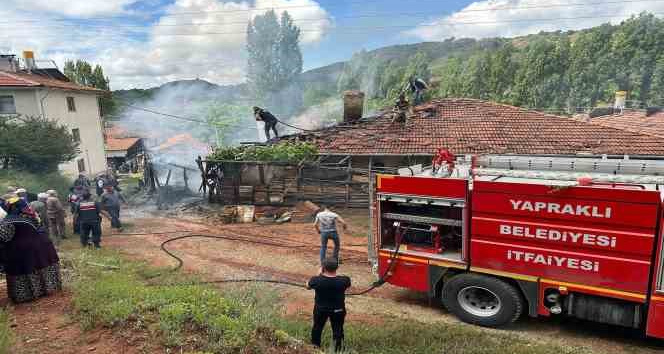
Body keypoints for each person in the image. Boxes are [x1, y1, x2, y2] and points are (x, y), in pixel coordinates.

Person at [0, 197, 62, 303]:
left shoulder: (7, 221)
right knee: (40, 268)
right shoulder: (30, 215)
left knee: (25, 271)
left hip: (22, 251)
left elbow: (4, 237)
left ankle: (26, 295)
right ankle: (47, 289)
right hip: (42, 246)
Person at [306, 258, 351, 352]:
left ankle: (315, 348)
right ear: (337, 268)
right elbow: (346, 282)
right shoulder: (344, 280)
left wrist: (319, 274)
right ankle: (338, 350)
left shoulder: (316, 280)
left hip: (321, 309)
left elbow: (308, 286)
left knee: (317, 328)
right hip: (338, 310)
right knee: (338, 330)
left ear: (323, 268)